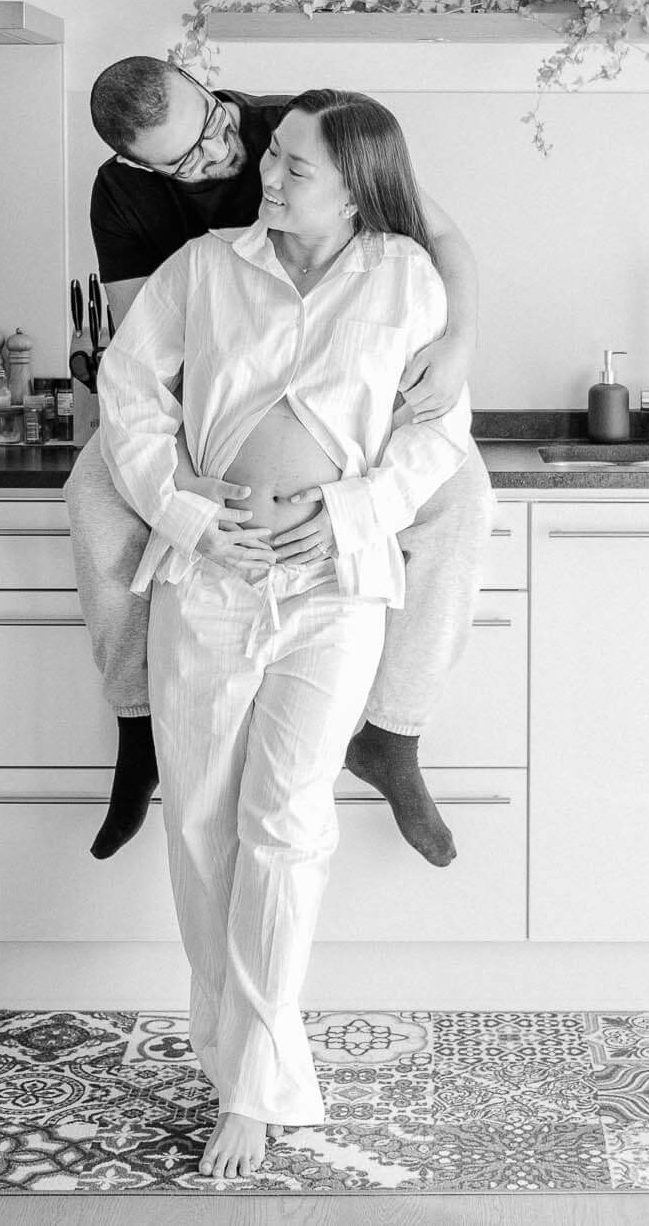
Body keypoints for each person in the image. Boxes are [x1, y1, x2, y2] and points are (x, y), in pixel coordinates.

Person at [94, 90, 479, 1177]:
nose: (268, 176)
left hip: (334, 583)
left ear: (357, 179)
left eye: (295, 166)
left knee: (286, 821)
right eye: (270, 159)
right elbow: (126, 394)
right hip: (209, 573)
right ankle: (238, 1065)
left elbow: (438, 429)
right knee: (202, 823)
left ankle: (254, 1092)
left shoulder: (407, 276)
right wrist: (185, 511)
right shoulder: (206, 265)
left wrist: (346, 512)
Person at [63, 57, 493, 867]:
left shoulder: (295, 130)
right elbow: (143, 345)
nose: (225, 153)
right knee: (92, 494)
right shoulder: (121, 197)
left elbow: (443, 237)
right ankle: (137, 724)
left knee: (465, 498)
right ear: (139, 165)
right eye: (188, 161)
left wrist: (460, 343)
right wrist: (182, 473)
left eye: (218, 124)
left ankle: (393, 731)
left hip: (341, 379)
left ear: (203, 84)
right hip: (218, 384)